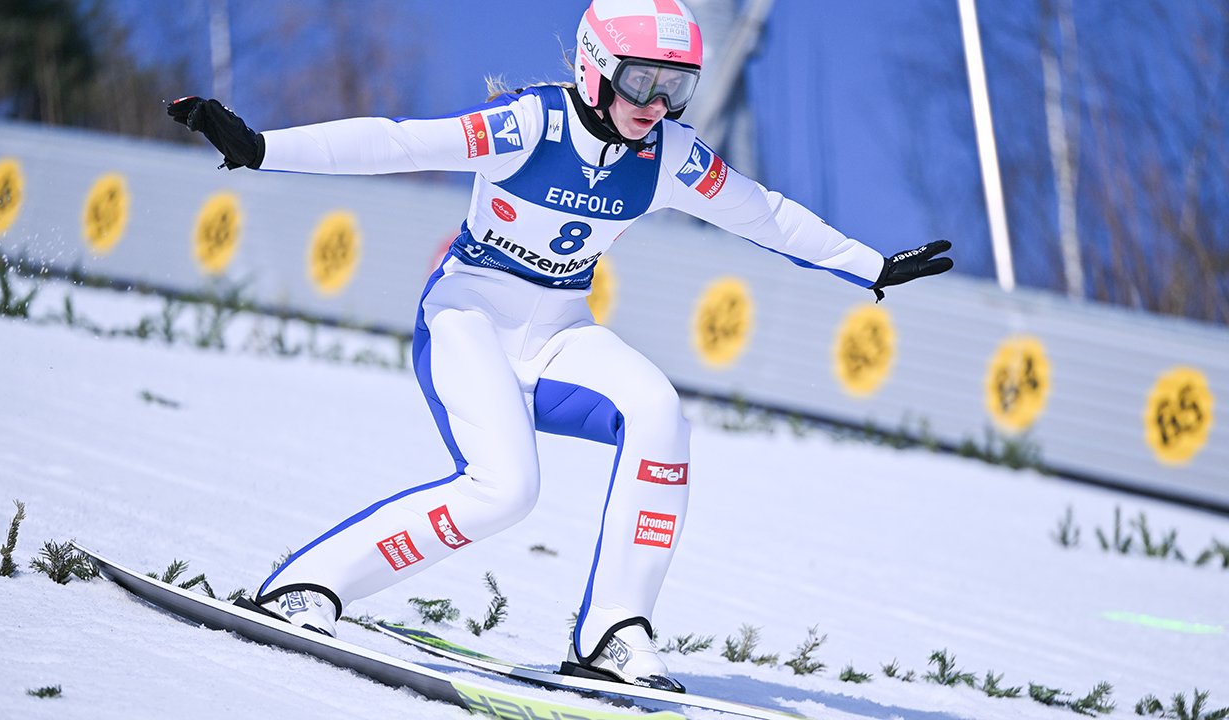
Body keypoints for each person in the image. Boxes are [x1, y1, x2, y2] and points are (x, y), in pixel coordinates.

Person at [167, 0, 952, 692]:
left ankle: (614, 631)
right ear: (595, 69)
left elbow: (767, 216)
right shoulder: (526, 124)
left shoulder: (667, 156)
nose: (658, 104)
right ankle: (304, 588)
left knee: (658, 410)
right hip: (466, 320)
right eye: (644, 81)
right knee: (505, 490)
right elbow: (399, 143)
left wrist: (871, 266)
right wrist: (264, 147)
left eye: (677, 87)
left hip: (556, 334)